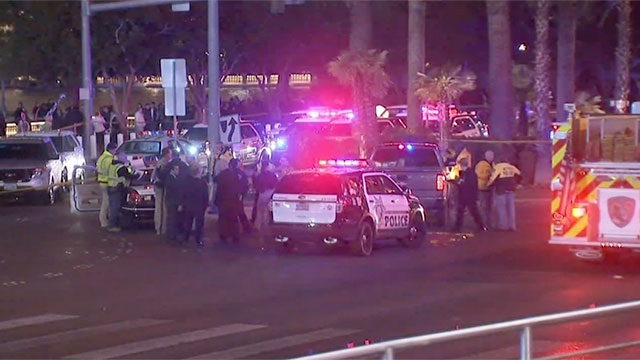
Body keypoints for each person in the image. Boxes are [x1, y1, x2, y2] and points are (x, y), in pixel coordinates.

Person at [487, 156, 521, 231]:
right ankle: (512, 226)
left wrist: (488, 185)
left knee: (501, 208)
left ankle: (503, 226)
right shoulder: (511, 167)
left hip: (501, 190)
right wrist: (516, 184)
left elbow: (493, 178)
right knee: (511, 208)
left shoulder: (497, 167)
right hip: (511, 189)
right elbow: (519, 174)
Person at [452, 157, 486, 232]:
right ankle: (458, 227)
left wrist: (459, 183)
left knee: (472, 212)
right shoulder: (468, 173)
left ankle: (481, 226)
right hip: (466, 196)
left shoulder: (469, 173)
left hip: (468, 196)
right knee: (464, 212)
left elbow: (469, 184)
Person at [214, 159, 244, 243]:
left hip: (223, 200)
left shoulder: (223, 174)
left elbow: (215, 180)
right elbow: (242, 186)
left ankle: (223, 235)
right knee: (233, 219)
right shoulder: (238, 174)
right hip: (233, 200)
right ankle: (235, 236)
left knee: (223, 218)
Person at [106, 153, 138, 232]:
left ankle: (113, 224)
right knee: (115, 208)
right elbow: (127, 175)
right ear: (120, 158)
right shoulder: (120, 167)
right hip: (116, 187)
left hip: (110, 186)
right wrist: (137, 175)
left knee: (112, 206)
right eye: (125, 157)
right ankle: (112, 226)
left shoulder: (112, 165)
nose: (126, 158)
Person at [183, 167, 209, 246]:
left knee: (188, 223)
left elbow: (184, 194)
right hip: (199, 206)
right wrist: (205, 205)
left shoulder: (187, 183)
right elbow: (205, 196)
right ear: (198, 173)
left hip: (189, 205)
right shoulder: (202, 183)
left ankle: (185, 238)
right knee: (199, 224)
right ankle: (198, 240)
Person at [151, 148, 173, 235]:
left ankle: (158, 228)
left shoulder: (158, 162)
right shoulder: (166, 164)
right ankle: (162, 228)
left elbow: (153, 176)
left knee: (158, 207)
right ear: (167, 154)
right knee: (163, 207)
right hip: (163, 186)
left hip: (157, 186)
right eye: (170, 153)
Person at [253, 158, 278, 235]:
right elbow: (276, 184)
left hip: (262, 193)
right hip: (270, 193)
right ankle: (266, 225)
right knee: (268, 210)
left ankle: (258, 226)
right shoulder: (272, 175)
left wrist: (260, 189)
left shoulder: (259, 175)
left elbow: (256, 184)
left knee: (260, 210)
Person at [97, 142, 118, 228]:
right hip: (107, 183)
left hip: (101, 182)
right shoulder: (109, 160)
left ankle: (104, 221)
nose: (115, 152)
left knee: (105, 202)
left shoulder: (101, 158)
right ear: (111, 150)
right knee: (106, 203)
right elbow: (113, 170)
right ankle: (104, 222)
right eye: (115, 150)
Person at [164, 161, 184, 244]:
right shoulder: (172, 179)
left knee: (171, 219)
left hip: (170, 201)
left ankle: (171, 236)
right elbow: (176, 192)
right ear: (173, 170)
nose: (178, 171)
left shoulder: (171, 178)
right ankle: (172, 237)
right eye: (177, 169)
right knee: (173, 219)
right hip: (173, 202)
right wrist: (179, 203)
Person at [475, 150, 495, 229]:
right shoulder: (481, 164)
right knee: (483, 207)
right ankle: (482, 224)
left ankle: (488, 223)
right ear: (486, 156)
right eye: (490, 156)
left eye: (492, 156)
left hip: (489, 188)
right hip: (482, 188)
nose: (491, 157)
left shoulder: (492, 164)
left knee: (489, 207)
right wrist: (489, 174)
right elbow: (479, 175)